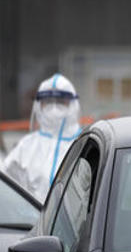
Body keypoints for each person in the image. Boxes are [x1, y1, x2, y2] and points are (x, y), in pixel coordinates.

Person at [2, 74, 82, 202]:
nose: (54, 108)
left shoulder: (84, 143)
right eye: (48, 102)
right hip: (30, 221)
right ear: (39, 105)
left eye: (61, 101)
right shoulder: (26, 146)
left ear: (73, 104)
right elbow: (6, 187)